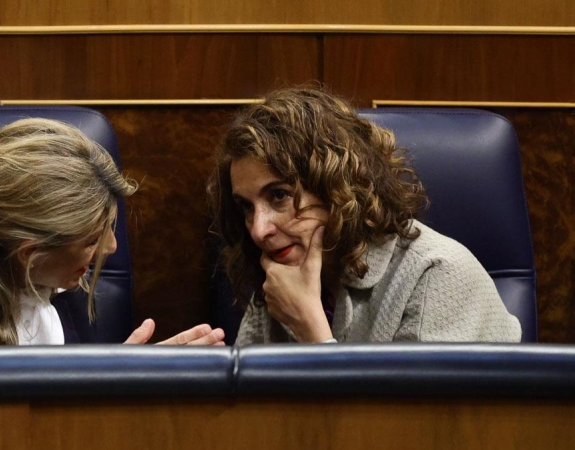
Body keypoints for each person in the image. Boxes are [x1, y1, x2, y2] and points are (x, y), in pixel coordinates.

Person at [0, 118, 224, 346]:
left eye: (110, 229)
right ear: (30, 253)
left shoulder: (61, 287)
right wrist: (103, 397)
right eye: (91, 240)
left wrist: (123, 379)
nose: (111, 248)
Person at [208, 87, 521, 344]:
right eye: (247, 207)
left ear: (337, 188)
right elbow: (254, 415)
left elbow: (415, 422)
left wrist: (311, 330)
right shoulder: (282, 273)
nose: (259, 230)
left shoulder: (439, 274)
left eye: (279, 196)